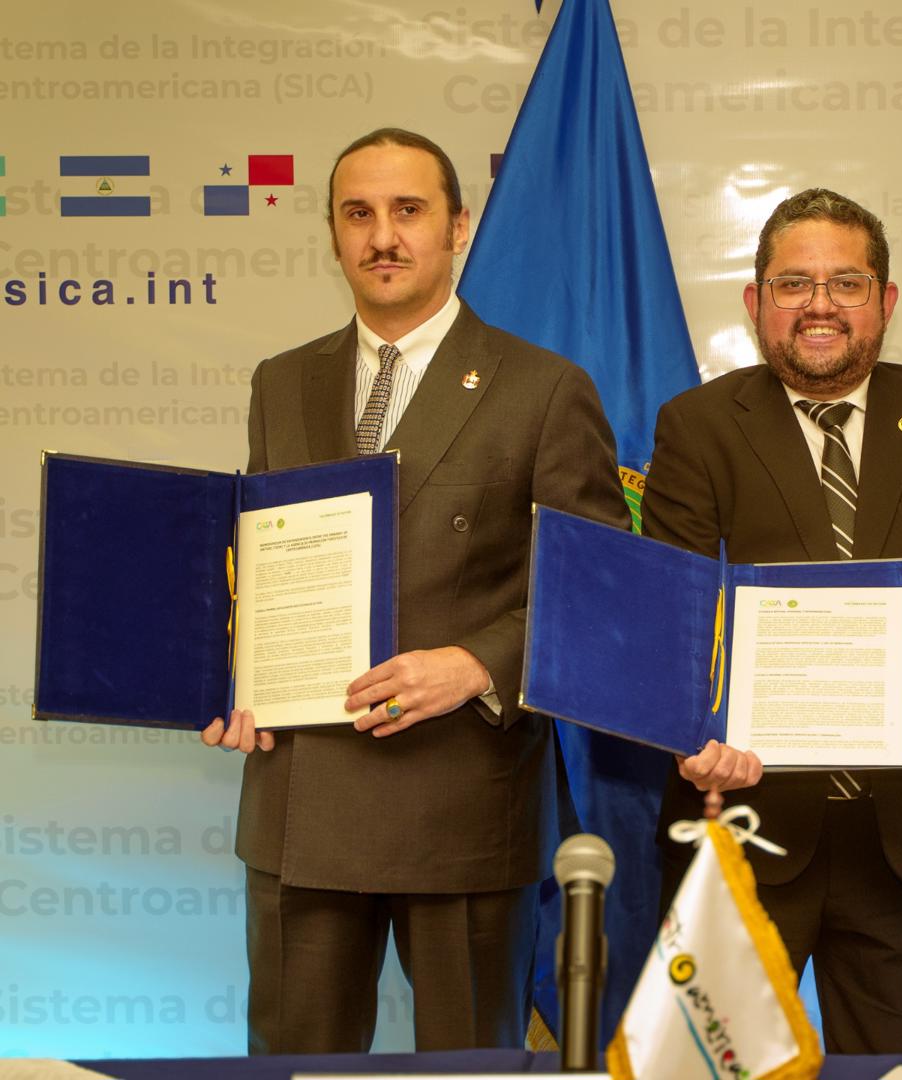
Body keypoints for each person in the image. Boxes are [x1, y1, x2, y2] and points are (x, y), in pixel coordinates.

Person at [199, 128, 631, 1054]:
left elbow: (599, 593)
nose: (383, 236)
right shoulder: (282, 381)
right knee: (293, 1074)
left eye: (408, 211)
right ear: (332, 232)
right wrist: (228, 678)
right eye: (358, 214)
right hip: (300, 804)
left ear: (457, 227)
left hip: (464, 803)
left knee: (467, 1071)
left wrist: (477, 665)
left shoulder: (545, 388)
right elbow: (260, 568)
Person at [639, 188, 902, 1054]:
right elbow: (668, 611)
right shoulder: (698, 426)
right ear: (755, 302)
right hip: (741, 821)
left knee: (891, 1073)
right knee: (725, 1072)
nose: (819, 304)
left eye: (847, 283)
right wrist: (691, 722)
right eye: (793, 284)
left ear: (885, 301)